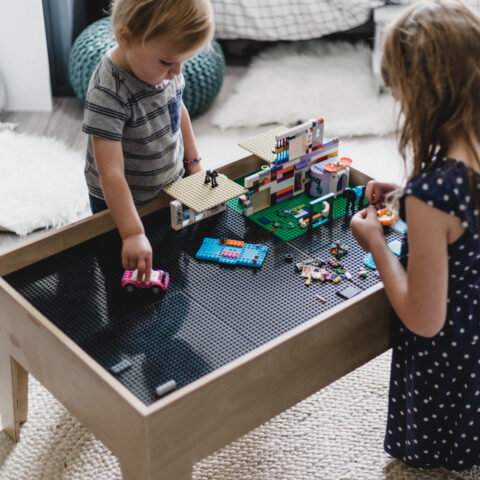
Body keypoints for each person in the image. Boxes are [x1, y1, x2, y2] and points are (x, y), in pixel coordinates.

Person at [350, 1, 480, 478]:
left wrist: (377, 246)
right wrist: (406, 194)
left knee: (432, 454)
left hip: (447, 352)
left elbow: (425, 320)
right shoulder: (462, 168)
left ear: (422, 97)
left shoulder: (433, 195)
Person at [82, 0, 214, 284]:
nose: (177, 71)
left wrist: (194, 163)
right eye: (168, 62)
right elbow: (111, 172)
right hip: (121, 204)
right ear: (125, 38)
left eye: (183, 61)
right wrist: (132, 233)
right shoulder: (108, 91)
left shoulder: (166, 68)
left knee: (169, 254)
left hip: (169, 183)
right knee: (127, 270)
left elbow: (179, 111)